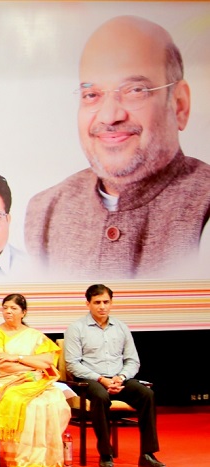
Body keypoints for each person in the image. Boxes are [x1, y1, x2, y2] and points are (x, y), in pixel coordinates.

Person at [25, 16, 210, 280]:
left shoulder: (204, 203)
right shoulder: (45, 212)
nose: (109, 116)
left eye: (135, 90)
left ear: (179, 104)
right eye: (92, 95)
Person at [63, 284, 165, 467]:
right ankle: (106, 453)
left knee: (147, 395)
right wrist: (102, 379)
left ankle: (148, 454)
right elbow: (73, 364)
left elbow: (132, 360)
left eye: (106, 302)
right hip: (90, 380)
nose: (102, 306)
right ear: (88, 304)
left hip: (119, 378)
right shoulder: (76, 328)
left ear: (111, 303)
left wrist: (121, 376)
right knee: (100, 397)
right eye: (97, 302)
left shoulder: (121, 327)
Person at [0, 294, 71, 467]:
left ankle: (47, 457)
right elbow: (1, 363)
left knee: (55, 401)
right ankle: (24, 458)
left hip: (34, 379)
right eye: (5, 308)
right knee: (31, 405)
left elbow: (46, 362)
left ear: (24, 312)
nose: (8, 312)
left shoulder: (34, 335)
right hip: (4, 380)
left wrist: (18, 358)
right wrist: (28, 366)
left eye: (13, 308)